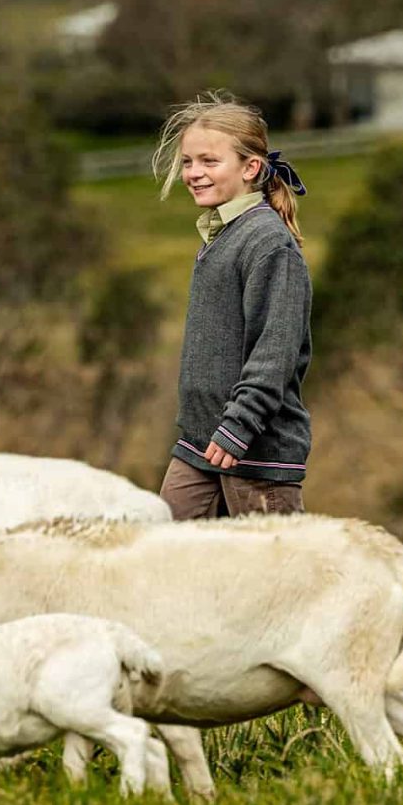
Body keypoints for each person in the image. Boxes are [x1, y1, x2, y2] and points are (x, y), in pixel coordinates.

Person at [152, 90, 312, 521]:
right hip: (199, 447)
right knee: (160, 562)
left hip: (255, 454)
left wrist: (238, 426)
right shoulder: (221, 235)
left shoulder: (267, 243)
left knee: (273, 584)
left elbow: (275, 352)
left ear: (251, 167)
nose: (194, 173)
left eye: (209, 161)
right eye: (188, 162)